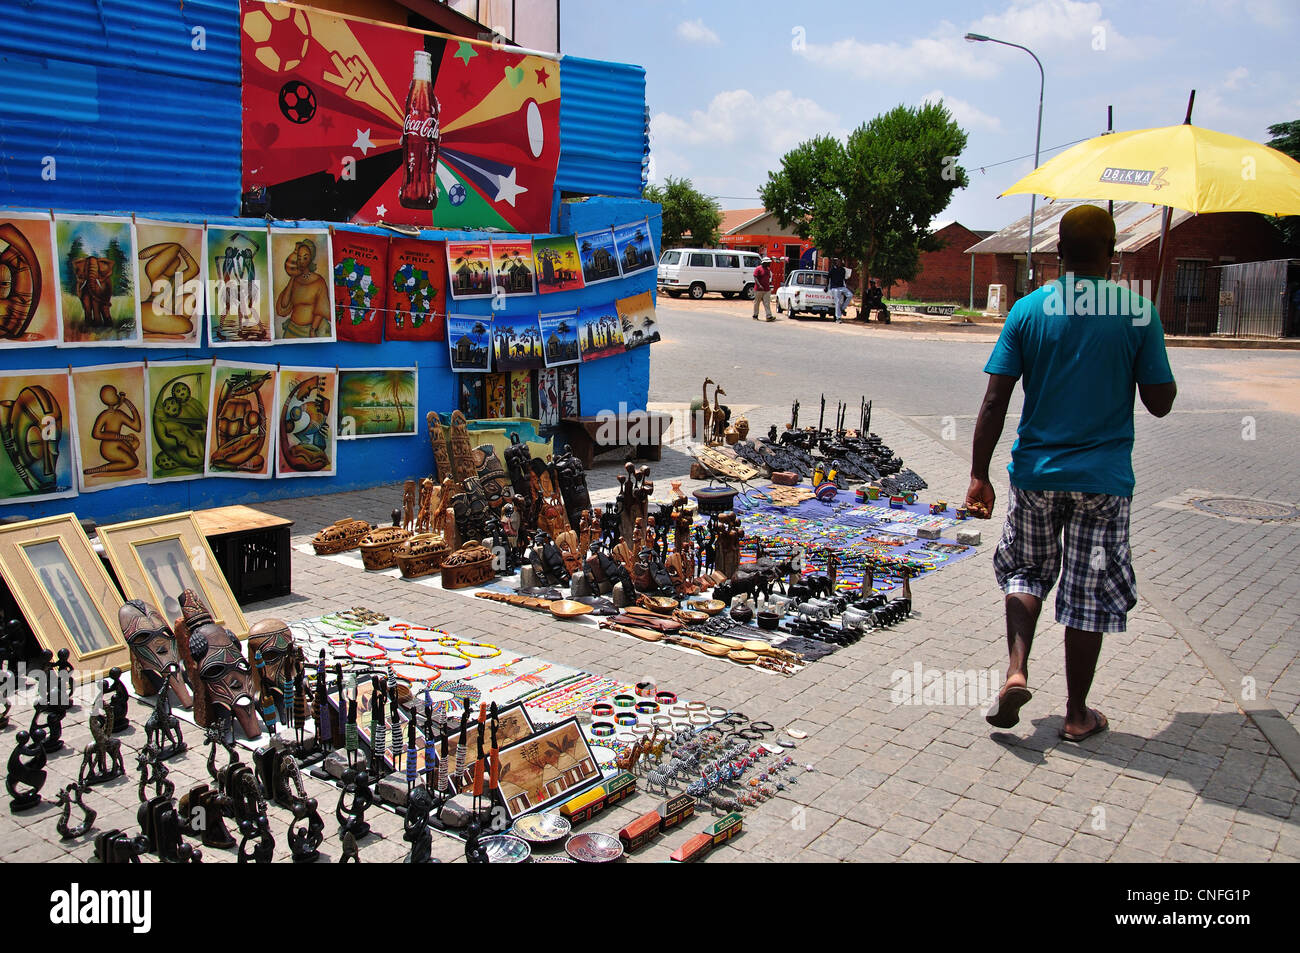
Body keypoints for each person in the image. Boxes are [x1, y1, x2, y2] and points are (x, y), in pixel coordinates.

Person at [965, 204, 1176, 743]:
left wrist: (979, 474)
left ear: (1059, 254)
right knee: (1088, 591)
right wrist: (1149, 342)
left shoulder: (1028, 310)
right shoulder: (1137, 312)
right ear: (1112, 256)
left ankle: (1016, 670)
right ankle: (1077, 713)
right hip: (1102, 483)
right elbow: (1160, 403)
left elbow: (994, 401)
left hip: (1035, 474)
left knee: (1025, 573)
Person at [827, 258, 851, 322]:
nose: (839, 263)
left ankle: (842, 308)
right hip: (834, 287)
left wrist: (846, 283)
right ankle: (838, 318)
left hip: (841, 286)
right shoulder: (832, 269)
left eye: (840, 262)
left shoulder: (843, 270)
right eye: (838, 262)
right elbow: (828, 277)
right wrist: (827, 286)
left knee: (850, 295)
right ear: (836, 263)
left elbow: (844, 279)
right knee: (837, 301)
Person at [752, 257, 775, 321]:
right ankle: (755, 315)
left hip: (766, 289)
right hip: (758, 290)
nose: (770, 264)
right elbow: (755, 277)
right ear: (765, 263)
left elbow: (769, 278)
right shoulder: (758, 269)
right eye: (768, 263)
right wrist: (759, 285)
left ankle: (769, 316)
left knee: (767, 303)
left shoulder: (768, 269)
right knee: (757, 303)